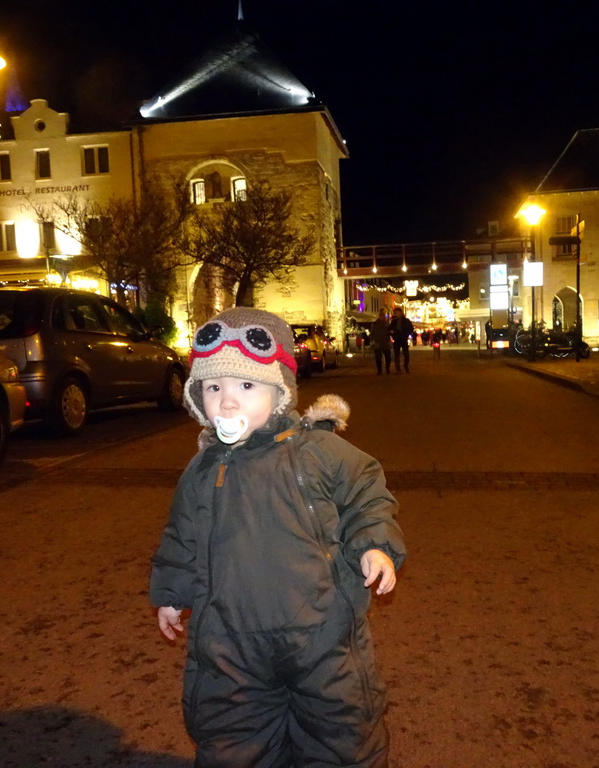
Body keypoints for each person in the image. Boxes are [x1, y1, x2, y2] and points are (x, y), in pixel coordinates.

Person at [151, 307, 405, 768]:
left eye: (245, 387)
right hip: (231, 642)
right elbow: (182, 534)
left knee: (339, 733)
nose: (227, 402)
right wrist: (172, 593)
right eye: (213, 389)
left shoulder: (317, 451)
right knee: (234, 738)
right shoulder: (203, 468)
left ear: (279, 391)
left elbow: (366, 493)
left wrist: (374, 544)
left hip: (320, 634)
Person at [388, 306, 415, 374]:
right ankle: (398, 369)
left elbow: (411, 329)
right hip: (396, 340)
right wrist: (393, 334)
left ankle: (406, 366)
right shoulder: (394, 321)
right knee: (396, 355)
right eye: (395, 313)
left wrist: (405, 333)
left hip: (403, 339)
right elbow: (390, 329)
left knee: (406, 354)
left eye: (397, 313)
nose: (396, 314)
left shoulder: (406, 321)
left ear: (401, 313)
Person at [368, 307, 393, 374]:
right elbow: (372, 332)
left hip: (386, 342)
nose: (382, 317)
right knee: (378, 358)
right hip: (378, 342)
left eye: (383, 315)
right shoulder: (375, 324)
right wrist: (371, 339)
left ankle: (387, 368)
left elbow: (390, 332)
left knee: (388, 357)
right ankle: (380, 370)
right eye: (381, 315)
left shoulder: (388, 324)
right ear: (379, 316)